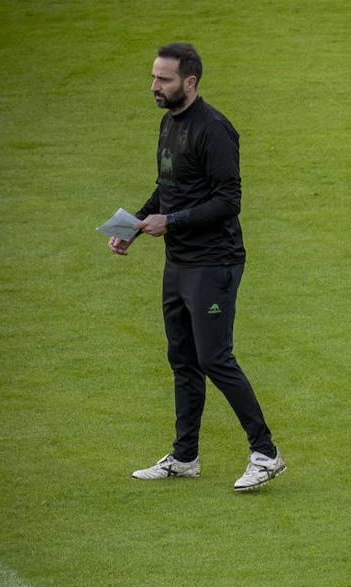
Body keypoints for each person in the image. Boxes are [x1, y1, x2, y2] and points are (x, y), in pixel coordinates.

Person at [109, 42, 284, 491]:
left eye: (163, 79)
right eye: (153, 77)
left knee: (214, 357)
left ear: (190, 82)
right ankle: (185, 456)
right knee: (183, 359)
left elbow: (229, 201)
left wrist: (173, 221)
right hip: (179, 263)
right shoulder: (169, 124)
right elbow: (167, 188)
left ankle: (266, 452)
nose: (154, 86)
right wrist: (131, 226)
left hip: (215, 262)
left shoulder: (215, 129)